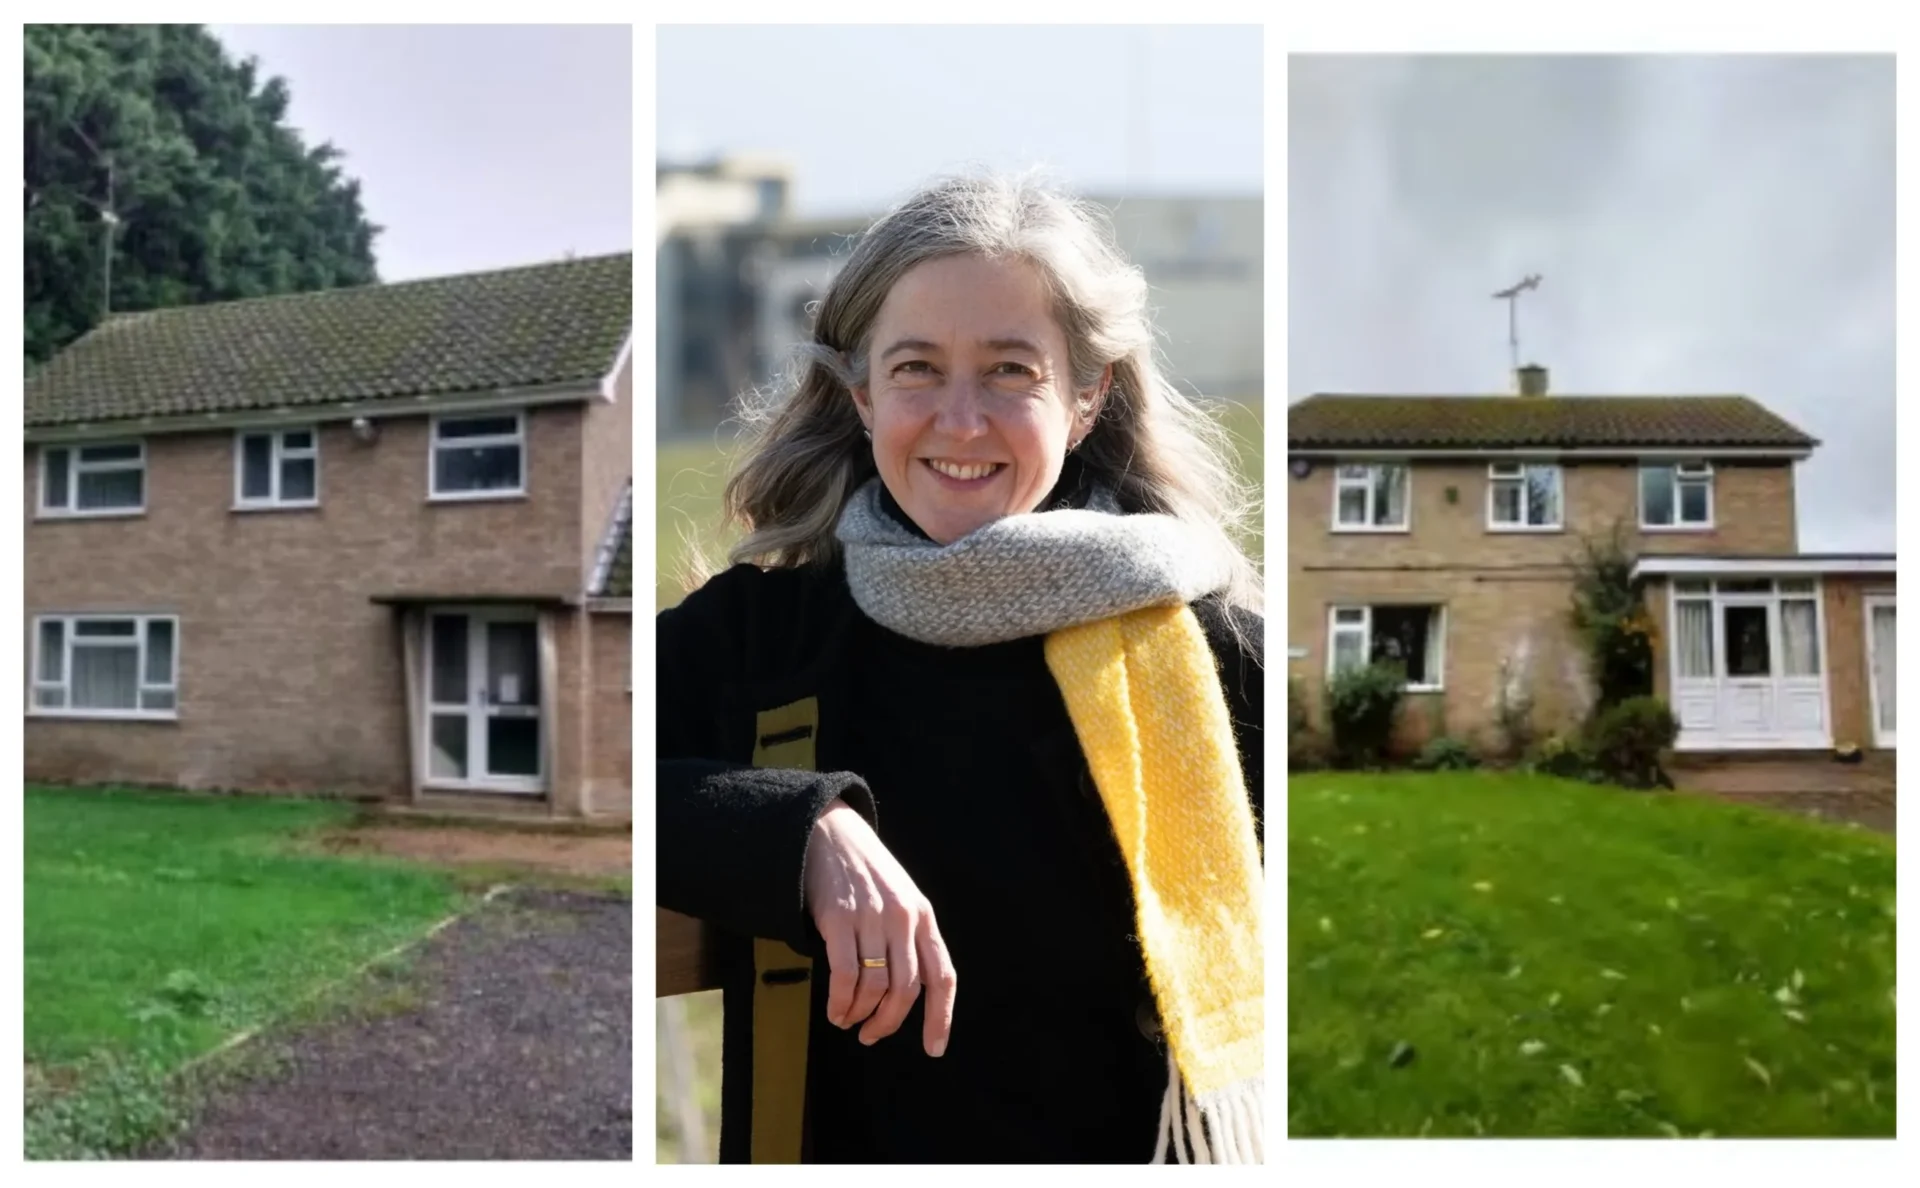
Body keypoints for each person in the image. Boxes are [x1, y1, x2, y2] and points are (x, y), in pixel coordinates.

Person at [658, 172, 1265, 1165]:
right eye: (916, 369)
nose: (961, 418)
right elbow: (599, 763)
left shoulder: (1209, 654)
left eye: (1011, 371)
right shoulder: (763, 639)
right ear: (860, 394)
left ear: (1085, 397)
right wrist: (802, 829)